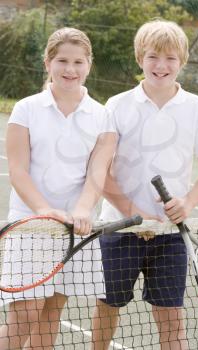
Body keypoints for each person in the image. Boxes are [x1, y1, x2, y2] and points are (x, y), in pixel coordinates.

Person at [91, 19, 198, 350]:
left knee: (173, 322)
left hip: (169, 236)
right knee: (107, 309)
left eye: (170, 58)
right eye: (152, 56)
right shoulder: (117, 105)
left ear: (182, 61)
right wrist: (132, 212)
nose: (161, 66)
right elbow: (99, 169)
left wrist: (188, 203)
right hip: (120, 229)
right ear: (139, 58)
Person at [0, 27, 116, 350]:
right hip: (30, 227)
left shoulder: (102, 116)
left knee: (50, 318)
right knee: (24, 316)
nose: (70, 69)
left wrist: (82, 209)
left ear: (89, 65)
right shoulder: (25, 109)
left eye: (78, 62)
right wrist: (43, 209)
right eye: (62, 60)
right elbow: (18, 170)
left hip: (73, 232)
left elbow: (97, 174)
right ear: (47, 62)